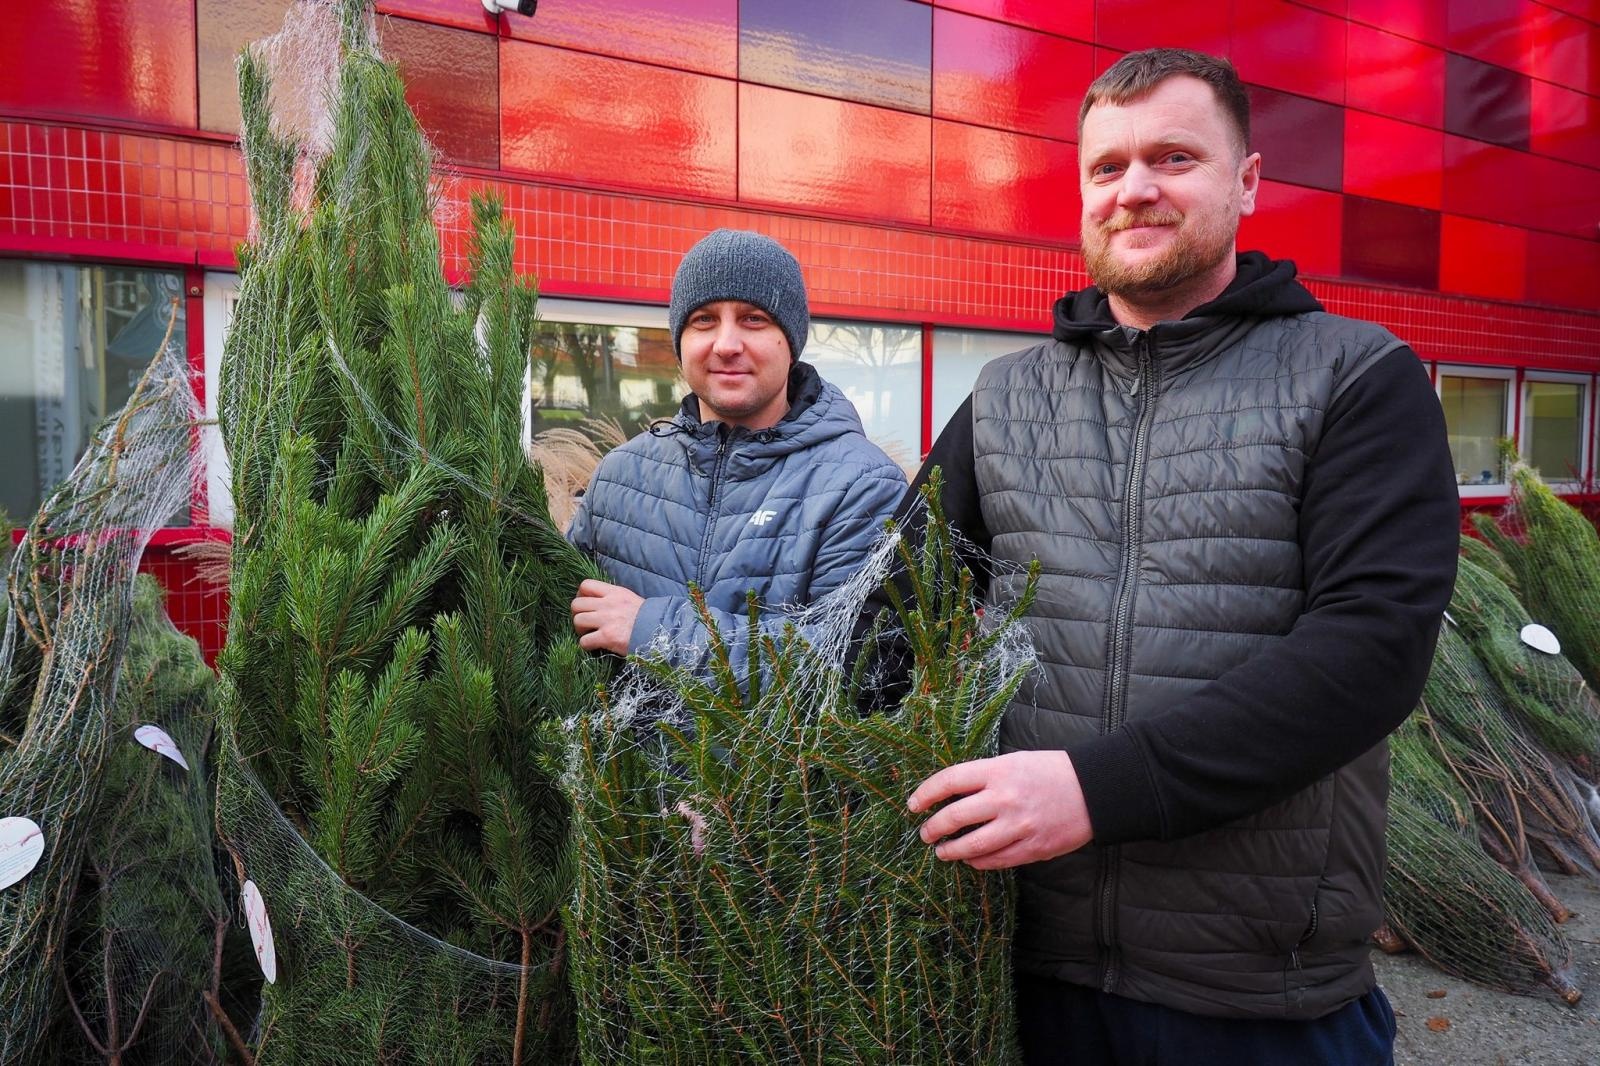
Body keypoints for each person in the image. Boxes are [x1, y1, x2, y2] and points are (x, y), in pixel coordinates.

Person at [890, 48, 1459, 1065]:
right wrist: (765, 779)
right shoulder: (1007, 398)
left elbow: (1370, 651)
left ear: (1247, 182)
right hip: (1028, 969)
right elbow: (889, 619)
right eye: (1106, 167)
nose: (1134, 188)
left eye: (1173, 157)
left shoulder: (1354, 378)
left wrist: (1095, 789)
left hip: (1261, 995)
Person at [568, 229, 906, 675]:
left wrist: (653, 632)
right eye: (704, 320)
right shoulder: (619, 475)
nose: (726, 345)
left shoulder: (861, 487)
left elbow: (847, 666)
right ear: (680, 342)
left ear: (790, 343)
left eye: (753, 319)